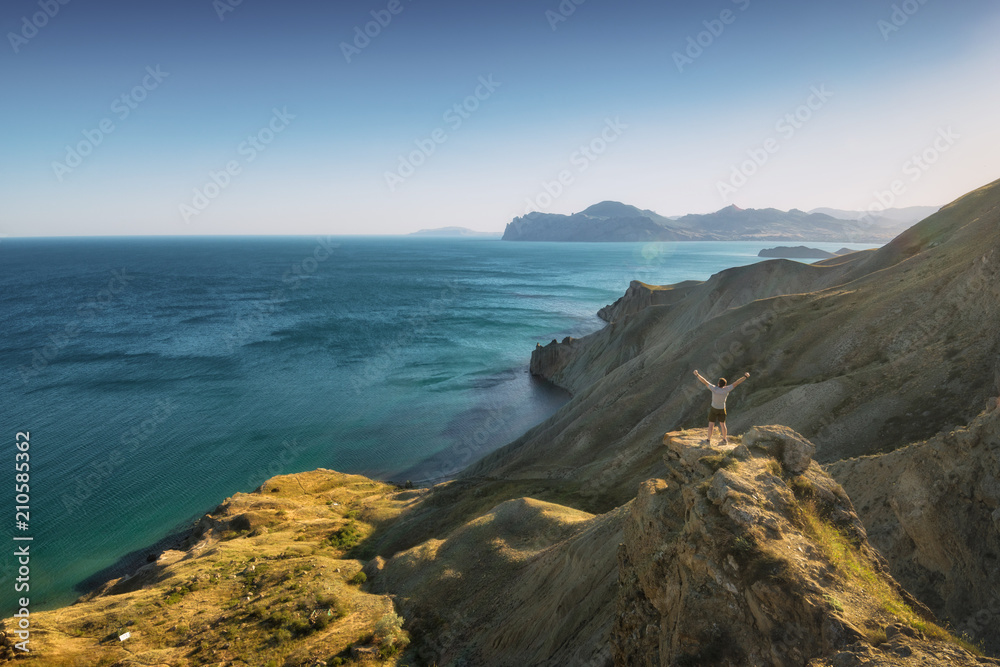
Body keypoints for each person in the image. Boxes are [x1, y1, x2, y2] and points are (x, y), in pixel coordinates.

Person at [693, 370, 750, 445]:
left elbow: (705, 381)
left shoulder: (714, 388)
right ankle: (724, 440)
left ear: (718, 383)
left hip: (714, 409)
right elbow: (737, 383)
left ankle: (708, 441)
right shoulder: (727, 389)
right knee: (723, 425)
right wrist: (745, 376)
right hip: (722, 409)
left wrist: (697, 375)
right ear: (725, 384)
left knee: (711, 425)